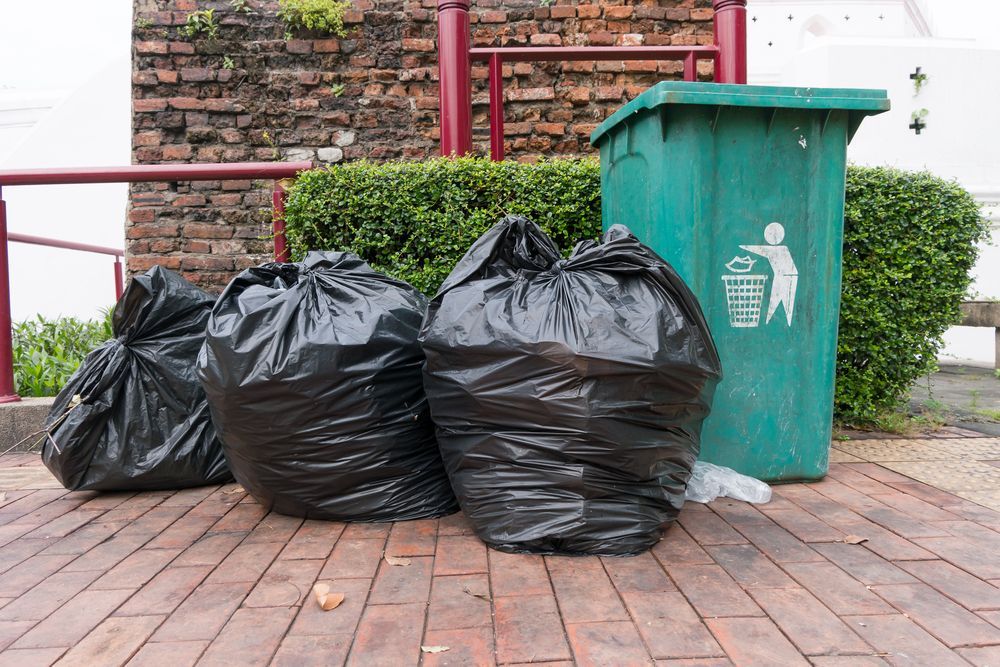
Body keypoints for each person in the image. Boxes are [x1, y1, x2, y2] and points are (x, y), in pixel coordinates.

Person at [740, 222, 797, 326]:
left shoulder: (780, 249)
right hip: (786, 275)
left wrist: (744, 247)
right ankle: (772, 322)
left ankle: (774, 323)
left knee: (781, 307)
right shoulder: (782, 248)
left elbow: (761, 250)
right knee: (776, 307)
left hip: (787, 276)